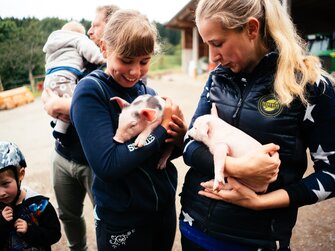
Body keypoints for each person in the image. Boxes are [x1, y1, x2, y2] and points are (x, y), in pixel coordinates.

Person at [180, 0, 335, 250]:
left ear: (252, 29)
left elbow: (332, 174)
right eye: (207, 44)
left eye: (218, 43)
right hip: (193, 227)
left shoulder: (310, 84)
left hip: (255, 241)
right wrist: (236, 167)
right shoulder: (217, 77)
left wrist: (259, 202)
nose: (212, 58)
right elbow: (189, 143)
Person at [70, 9, 187, 251]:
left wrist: (179, 136)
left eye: (144, 61)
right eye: (126, 60)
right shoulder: (91, 92)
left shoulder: (147, 93)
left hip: (162, 210)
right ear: (104, 48)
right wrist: (162, 129)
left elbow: (161, 154)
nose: (135, 71)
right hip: (123, 220)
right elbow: (108, 165)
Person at [41, 5, 120, 251]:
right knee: (68, 215)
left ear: (111, 28)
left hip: (92, 163)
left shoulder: (112, 67)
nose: (89, 30)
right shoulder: (75, 56)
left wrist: (61, 104)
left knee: (105, 215)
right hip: (62, 154)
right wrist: (54, 102)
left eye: (95, 25)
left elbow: (104, 113)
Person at [43, 20, 105, 146]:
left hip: (50, 80)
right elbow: (89, 51)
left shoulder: (53, 43)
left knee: (60, 102)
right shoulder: (78, 39)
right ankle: (60, 130)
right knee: (76, 100)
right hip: (64, 79)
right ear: (79, 34)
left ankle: (56, 122)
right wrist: (102, 59)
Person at [0, 141, 61, 250]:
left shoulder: (39, 205)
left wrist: (30, 231)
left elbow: (54, 234)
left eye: (5, 184)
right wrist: (2, 222)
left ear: (20, 174)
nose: (1, 193)